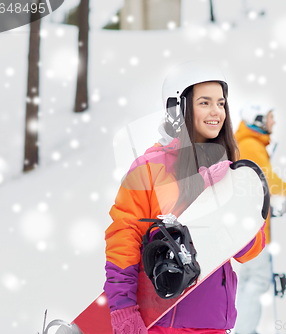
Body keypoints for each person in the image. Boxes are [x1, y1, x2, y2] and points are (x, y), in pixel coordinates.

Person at [104, 61, 266, 334]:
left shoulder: (230, 170)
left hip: (215, 321)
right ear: (177, 108)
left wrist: (234, 210)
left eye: (221, 103)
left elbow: (250, 250)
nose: (216, 112)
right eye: (204, 103)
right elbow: (123, 240)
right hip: (164, 322)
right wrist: (123, 310)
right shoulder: (148, 169)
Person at [233, 103, 286, 334]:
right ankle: (245, 329)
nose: (274, 122)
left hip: (248, 223)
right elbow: (266, 178)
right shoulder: (251, 145)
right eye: (271, 117)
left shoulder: (249, 144)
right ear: (260, 120)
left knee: (249, 278)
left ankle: (242, 327)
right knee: (258, 279)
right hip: (253, 226)